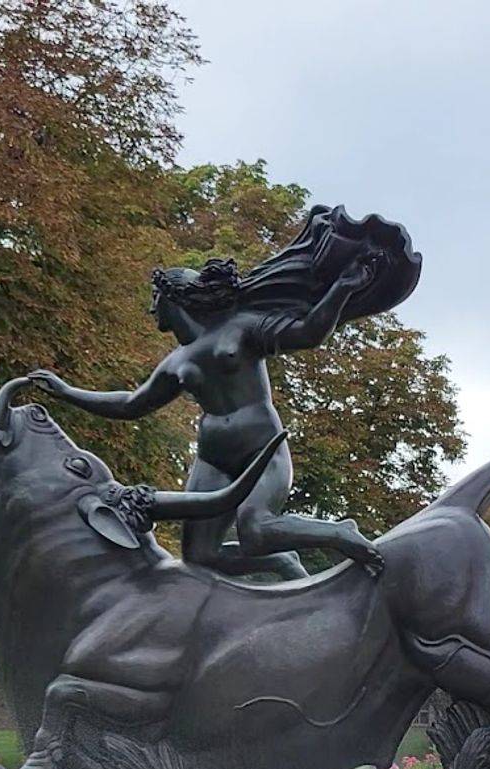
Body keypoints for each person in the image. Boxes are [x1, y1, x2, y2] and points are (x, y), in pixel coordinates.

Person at [28, 204, 421, 581]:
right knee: (199, 557)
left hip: (260, 449)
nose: (152, 310)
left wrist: (342, 289)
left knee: (256, 529)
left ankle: (339, 533)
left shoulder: (241, 327)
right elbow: (132, 404)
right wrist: (66, 392)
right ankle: (283, 563)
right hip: (213, 459)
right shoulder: (176, 362)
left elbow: (308, 333)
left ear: (171, 295)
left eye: (155, 300)